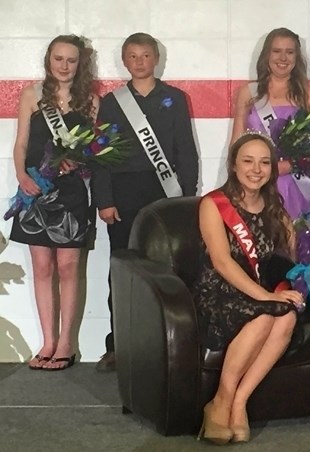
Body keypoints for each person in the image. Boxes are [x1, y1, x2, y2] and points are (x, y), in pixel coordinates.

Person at [193, 132, 310, 444]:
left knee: (287, 315)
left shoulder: (275, 209)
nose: (256, 169)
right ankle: (221, 401)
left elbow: (298, 255)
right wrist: (266, 296)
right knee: (268, 314)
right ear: (233, 165)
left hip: (259, 292)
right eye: (248, 161)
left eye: (264, 162)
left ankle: (236, 402)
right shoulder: (213, 204)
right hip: (221, 291)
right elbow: (222, 263)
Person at [93, 32, 199, 372]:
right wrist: (104, 200)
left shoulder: (176, 99)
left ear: (157, 59)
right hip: (123, 196)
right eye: (133, 56)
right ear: (125, 61)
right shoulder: (112, 102)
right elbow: (101, 155)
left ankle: (168, 345)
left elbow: (186, 151)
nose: (140, 62)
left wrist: (185, 197)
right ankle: (119, 345)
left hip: (165, 194)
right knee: (122, 271)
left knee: (169, 269)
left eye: (146, 55)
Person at [10, 35, 100, 371]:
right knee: (42, 268)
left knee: (68, 267)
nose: (64, 66)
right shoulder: (32, 96)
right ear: (49, 60)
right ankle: (47, 341)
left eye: (71, 60)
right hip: (36, 188)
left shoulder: (90, 101)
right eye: (58, 59)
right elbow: (21, 143)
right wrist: (21, 176)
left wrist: (80, 162)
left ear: (80, 64)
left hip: (73, 192)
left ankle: (66, 344)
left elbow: (94, 150)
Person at [231, 27, 310, 219]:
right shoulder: (248, 93)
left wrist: (287, 166)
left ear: (297, 57)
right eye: (277, 51)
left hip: (294, 183)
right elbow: (236, 143)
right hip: (254, 181)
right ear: (266, 55)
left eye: (289, 52)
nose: (283, 58)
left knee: (292, 243)